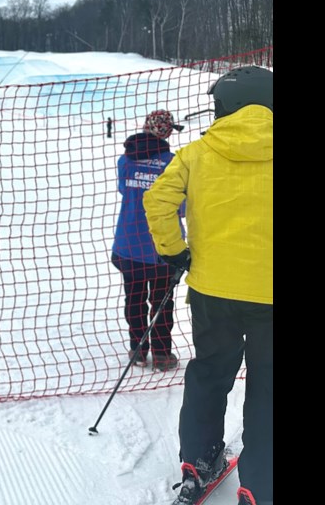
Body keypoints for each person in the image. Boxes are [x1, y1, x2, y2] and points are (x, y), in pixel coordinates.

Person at [143, 67, 272, 505]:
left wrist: (175, 251)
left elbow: (157, 200)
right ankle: (260, 486)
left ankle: (198, 462)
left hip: (212, 291)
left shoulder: (197, 152)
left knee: (210, 373)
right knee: (268, 386)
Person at [110, 109, 185, 371]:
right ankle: (162, 354)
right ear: (167, 133)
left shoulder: (125, 160)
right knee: (162, 303)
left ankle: (138, 350)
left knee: (134, 299)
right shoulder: (174, 163)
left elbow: (124, 189)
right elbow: (183, 207)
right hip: (162, 248)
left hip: (128, 244)